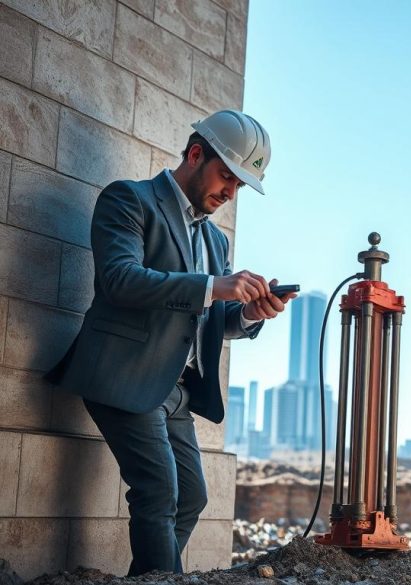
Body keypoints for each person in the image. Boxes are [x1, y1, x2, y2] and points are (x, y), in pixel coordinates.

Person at [46, 110, 295, 575]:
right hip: (125, 374)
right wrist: (214, 286)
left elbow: (207, 317)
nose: (230, 192)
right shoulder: (129, 200)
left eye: (240, 186)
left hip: (175, 391)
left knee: (193, 497)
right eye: (227, 177)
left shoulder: (215, 242)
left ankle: (151, 577)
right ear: (196, 154)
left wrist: (247, 313)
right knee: (158, 491)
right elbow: (120, 279)